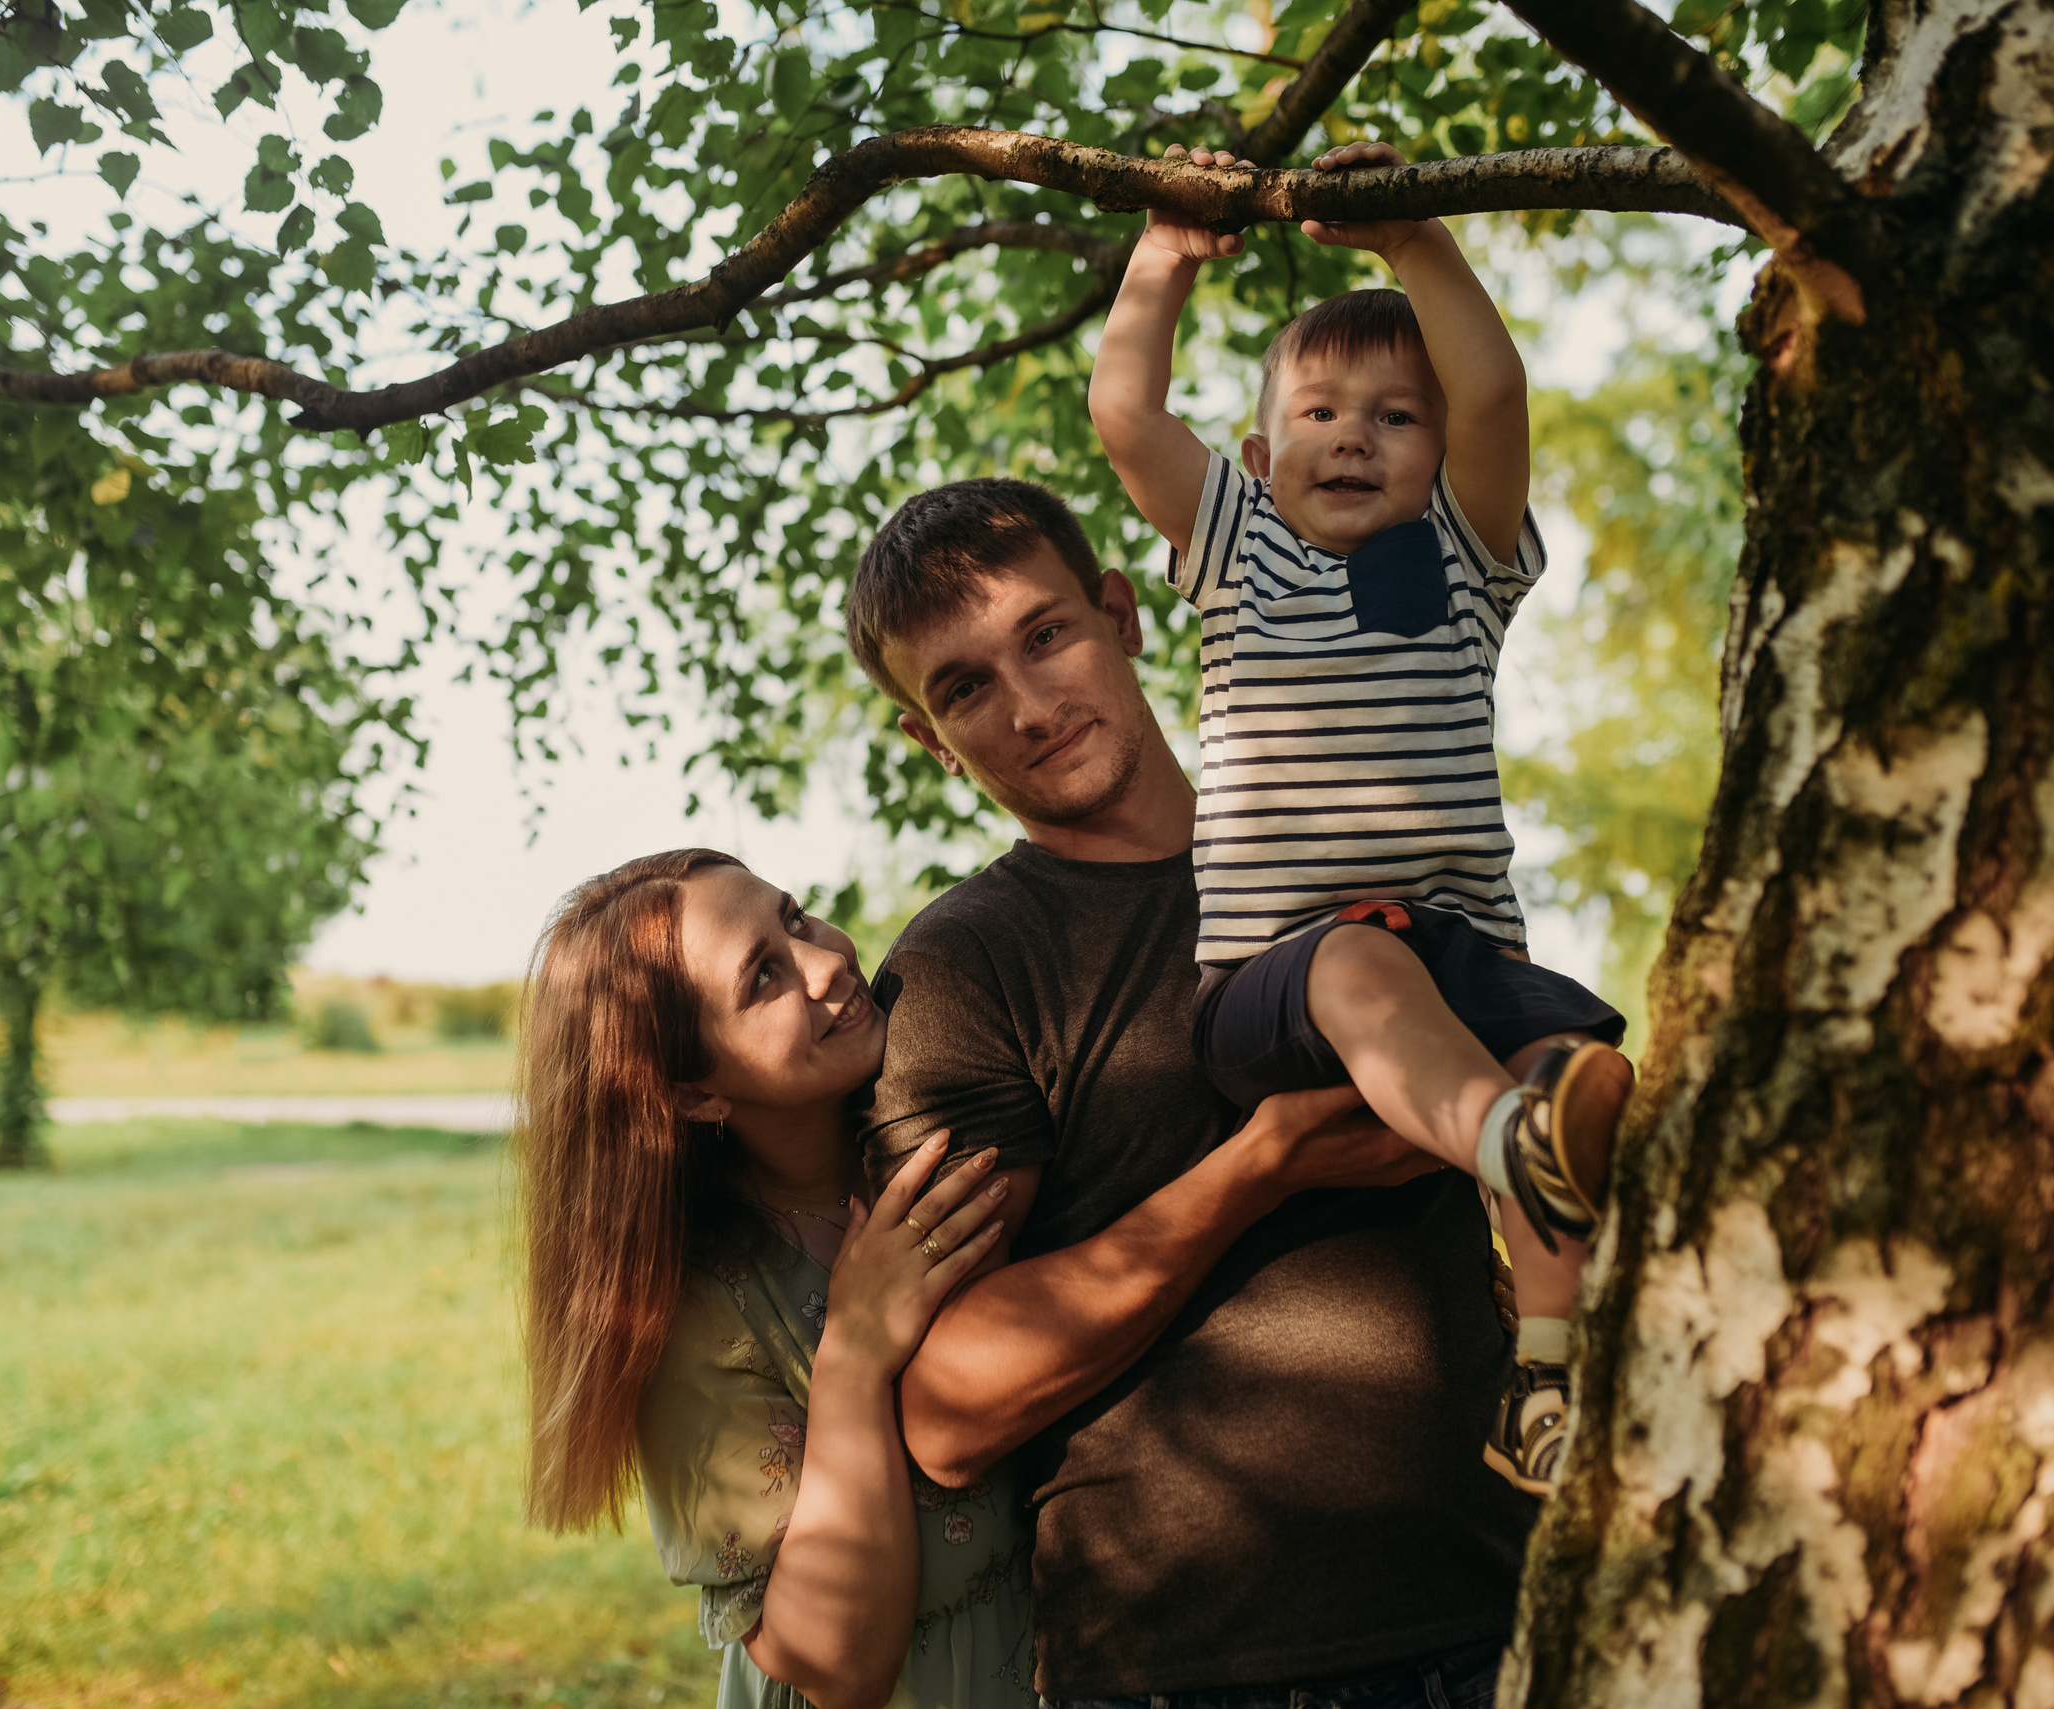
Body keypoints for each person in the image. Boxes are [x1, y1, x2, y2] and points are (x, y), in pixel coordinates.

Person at [846, 477, 1539, 1705]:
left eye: (1044, 633)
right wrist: (1258, 1167)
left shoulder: (1355, 825)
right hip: (1195, 1669)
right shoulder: (966, 968)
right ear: (929, 741)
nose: (1026, 705)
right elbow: (949, 1405)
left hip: (1512, 1611)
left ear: (1120, 613)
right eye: (962, 687)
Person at [1087, 139, 1635, 1495]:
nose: (1357, 434)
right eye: (1325, 412)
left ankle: (1548, 1376)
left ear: (1446, 458)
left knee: (1570, 1057)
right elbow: (1126, 414)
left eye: (1399, 416)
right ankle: (1505, 1143)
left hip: (1459, 957)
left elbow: (1495, 384)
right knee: (1361, 962)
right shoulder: (1237, 549)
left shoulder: (1457, 561)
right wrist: (1163, 249)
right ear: (1264, 455)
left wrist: (1415, 241)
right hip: (1280, 976)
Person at [514, 848, 1034, 1709]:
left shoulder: (953, 1121)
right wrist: (854, 1359)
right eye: (764, 977)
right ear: (691, 1094)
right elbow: (839, 1663)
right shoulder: (693, 1311)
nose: (831, 962)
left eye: (795, 918)